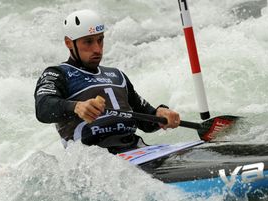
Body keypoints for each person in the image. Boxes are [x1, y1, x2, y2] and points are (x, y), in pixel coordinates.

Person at [34, 9, 180, 153]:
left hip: (136, 151)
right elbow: (43, 109)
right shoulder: (57, 74)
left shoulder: (117, 76)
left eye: (100, 40)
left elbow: (146, 120)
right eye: (88, 42)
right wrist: (76, 106)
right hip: (96, 162)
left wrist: (161, 115)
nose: (97, 49)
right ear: (69, 43)